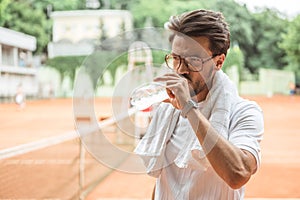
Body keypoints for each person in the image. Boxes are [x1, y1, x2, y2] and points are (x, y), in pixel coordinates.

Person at [134, 9, 264, 199]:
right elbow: (165, 179)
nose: (180, 70)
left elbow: (238, 174)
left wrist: (189, 109)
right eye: (175, 59)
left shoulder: (244, 112)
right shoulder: (168, 109)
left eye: (193, 61)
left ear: (219, 62)